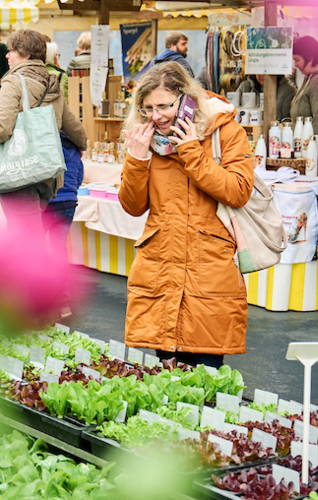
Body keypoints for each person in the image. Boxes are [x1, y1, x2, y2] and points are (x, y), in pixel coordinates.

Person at [118, 61, 254, 368]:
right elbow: (133, 206)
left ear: (186, 99)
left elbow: (238, 191)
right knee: (165, 375)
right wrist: (136, 159)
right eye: (148, 108)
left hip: (208, 268)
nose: (155, 116)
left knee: (206, 371)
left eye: (164, 106)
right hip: (160, 268)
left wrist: (191, 150)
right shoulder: (146, 140)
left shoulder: (224, 131)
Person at [0, 29, 87, 222]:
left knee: (25, 234)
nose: (7, 55)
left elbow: (1, 127)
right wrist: (82, 145)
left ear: (26, 54)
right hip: (45, 174)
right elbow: (74, 127)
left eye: (11, 51)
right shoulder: (51, 82)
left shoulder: (14, 81)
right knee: (32, 229)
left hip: (18, 170)